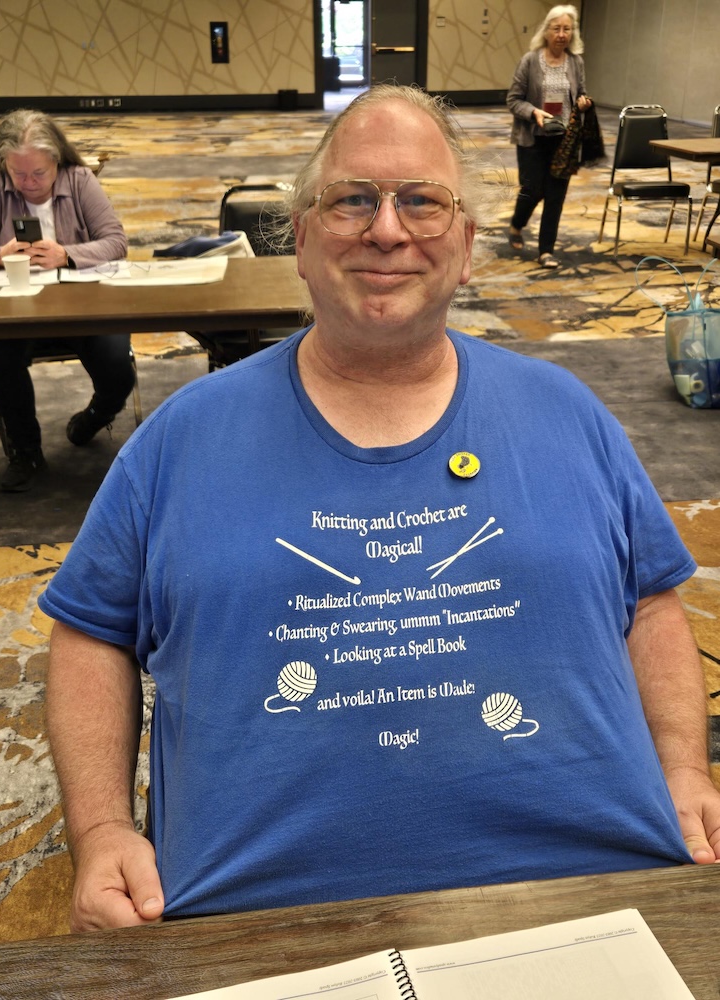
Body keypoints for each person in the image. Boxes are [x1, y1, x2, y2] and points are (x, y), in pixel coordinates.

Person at [39, 84, 720, 933]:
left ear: (466, 247)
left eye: (423, 202)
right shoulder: (180, 440)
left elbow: (650, 601)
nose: (387, 230)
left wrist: (684, 766)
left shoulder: (568, 413)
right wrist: (101, 829)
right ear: (300, 239)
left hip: (592, 894)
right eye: (351, 200)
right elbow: (91, 632)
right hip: (256, 922)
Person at [0, 109, 134, 492]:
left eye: (39, 173)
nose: (29, 183)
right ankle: (25, 451)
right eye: (19, 174)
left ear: (56, 161)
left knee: (117, 368)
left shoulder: (80, 179)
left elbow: (116, 242)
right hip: (14, 306)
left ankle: (95, 416)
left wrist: (67, 254)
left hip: (83, 304)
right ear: (4, 165)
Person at [506, 4, 592, 268]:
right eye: (557, 29)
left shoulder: (576, 62)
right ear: (546, 31)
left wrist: (582, 103)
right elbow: (513, 100)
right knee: (532, 190)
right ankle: (517, 224)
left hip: (564, 139)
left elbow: (580, 93)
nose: (562, 34)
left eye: (567, 29)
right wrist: (534, 113)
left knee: (555, 195)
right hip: (533, 138)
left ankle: (546, 251)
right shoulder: (530, 60)